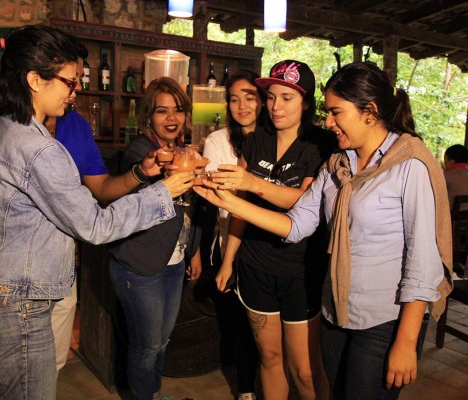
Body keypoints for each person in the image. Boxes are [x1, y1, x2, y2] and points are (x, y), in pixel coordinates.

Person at [194, 61, 453, 400]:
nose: (328, 122)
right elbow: (297, 223)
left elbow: (424, 261)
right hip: (337, 313)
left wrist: (406, 341)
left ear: (369, 112)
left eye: (336, 112)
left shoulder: (409, 166)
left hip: (383, 320)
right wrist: (225, 198)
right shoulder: (339, 165)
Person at [0, 25, 193, 400]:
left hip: (1, 297)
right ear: (35, 79)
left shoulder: (4, 127)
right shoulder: (37, 148)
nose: (76, 90)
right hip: (17, 306)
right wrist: (164, 191)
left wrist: (143, 176)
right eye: (70, 82)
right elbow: (95, 225)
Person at [209, 60, 331, 400]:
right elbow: (241, 207)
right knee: (270, 357)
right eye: (272, 97)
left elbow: (304, 202)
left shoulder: (320, 144)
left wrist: (251, 181)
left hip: (300, 270)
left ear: (306, 103)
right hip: (255, 265)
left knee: (305, 371)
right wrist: (228, 260)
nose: (276, 106)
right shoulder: (257, 140)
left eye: (287, 98)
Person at [107, 77, 202, 400]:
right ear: (149, 116)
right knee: (146, 346)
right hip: (140, 265)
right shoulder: (141, 153)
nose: (172, 118)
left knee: (161, 341)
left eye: (178, 111)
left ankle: (154, 393)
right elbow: (139, 188)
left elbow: (190, 211)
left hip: (173, 263)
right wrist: (165, 174)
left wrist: (194, 251)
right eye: (162, 111)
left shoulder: (185, 152)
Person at [202, 69, 267, 400]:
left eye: (250, 97)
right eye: (234, 99)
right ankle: (245, 387)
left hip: (270, 244)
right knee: (240, 324)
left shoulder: (277, 139)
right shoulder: (218, 141)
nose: (242, 105)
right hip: (229, 240)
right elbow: (217, 195)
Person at [443, 144, 468, 209]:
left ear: (451, 161)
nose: (444, 163)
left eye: (445, 159)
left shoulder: (446, 176)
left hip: (451, 217)